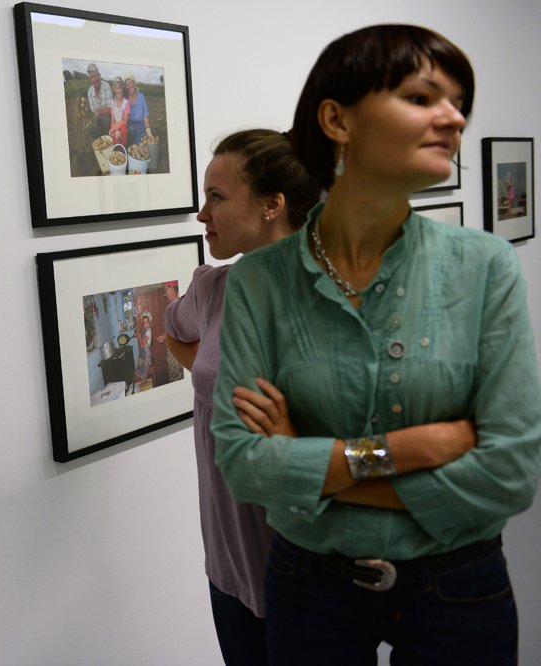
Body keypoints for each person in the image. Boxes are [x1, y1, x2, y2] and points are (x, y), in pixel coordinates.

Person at [211, 25, 541, 664]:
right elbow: (245, 464)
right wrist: (409, 450)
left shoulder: (485, 266)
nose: (453, 117)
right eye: (423, 98)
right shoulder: (261, 280)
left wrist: (320, 465)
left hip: (458, 584)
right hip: (311, 587)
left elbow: (509, 475)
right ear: (337, 118)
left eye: (457, 103)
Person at [163, 129, 321, 666]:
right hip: (230, 566)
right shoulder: (213, 290)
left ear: (273, 205)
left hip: (313, 570)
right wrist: (220, 383)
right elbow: (174, 334)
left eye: (217, 197)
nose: (202, 214)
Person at [85, 63, 113, 138]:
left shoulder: (106, 86)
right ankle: (102, 135)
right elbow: (94, 111)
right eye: (92, 77)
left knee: (106, 120)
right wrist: (97, 114)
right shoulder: (89, 92)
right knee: (92, 131)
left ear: (99, 75)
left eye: (96, 75)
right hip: (98, 118)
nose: (95, 79)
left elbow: (111, 109)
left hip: (108, 117)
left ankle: (107, 135)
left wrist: (99, 112)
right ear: (90, 79)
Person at [124, 72, 151, 145]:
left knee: (137, 147)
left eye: (130, 83)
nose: (129, 86)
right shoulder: (126, 99)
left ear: (134, 83)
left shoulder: (141, 97)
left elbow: (145, 115)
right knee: (128, 145)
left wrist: (148, 129)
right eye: (127, 85)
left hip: (140, 127)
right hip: (129, 127)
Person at [109, 77, 130, 146]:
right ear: (114, 89)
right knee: (114, 138)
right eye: (116, 88)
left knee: (123, 130)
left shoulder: (126, 103)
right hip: (115, 127)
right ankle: (117, 151)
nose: (118, 91)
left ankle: (123, 149)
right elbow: (112, 121)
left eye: (120, 88)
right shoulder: (112, 103)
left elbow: (125, 121)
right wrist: (113, 130)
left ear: (123, 89)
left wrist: (118, 129)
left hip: (123, 127)